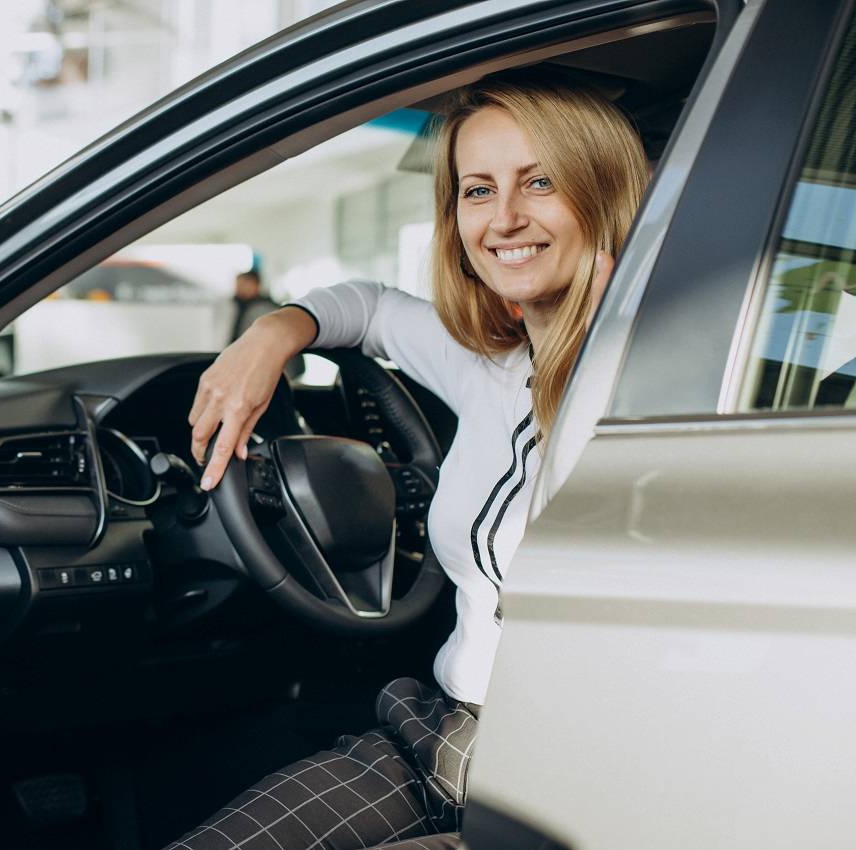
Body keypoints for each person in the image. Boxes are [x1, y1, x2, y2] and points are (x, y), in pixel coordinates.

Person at [167, 71, 650, 850]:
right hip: (443, 736)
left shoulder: (664, 380)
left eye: (541, 182)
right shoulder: (491, 363)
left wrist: (595, 360)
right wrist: (271, 336)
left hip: (566, 775)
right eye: (477, 190)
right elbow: (373, 311)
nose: (506, 218)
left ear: (605, 195)